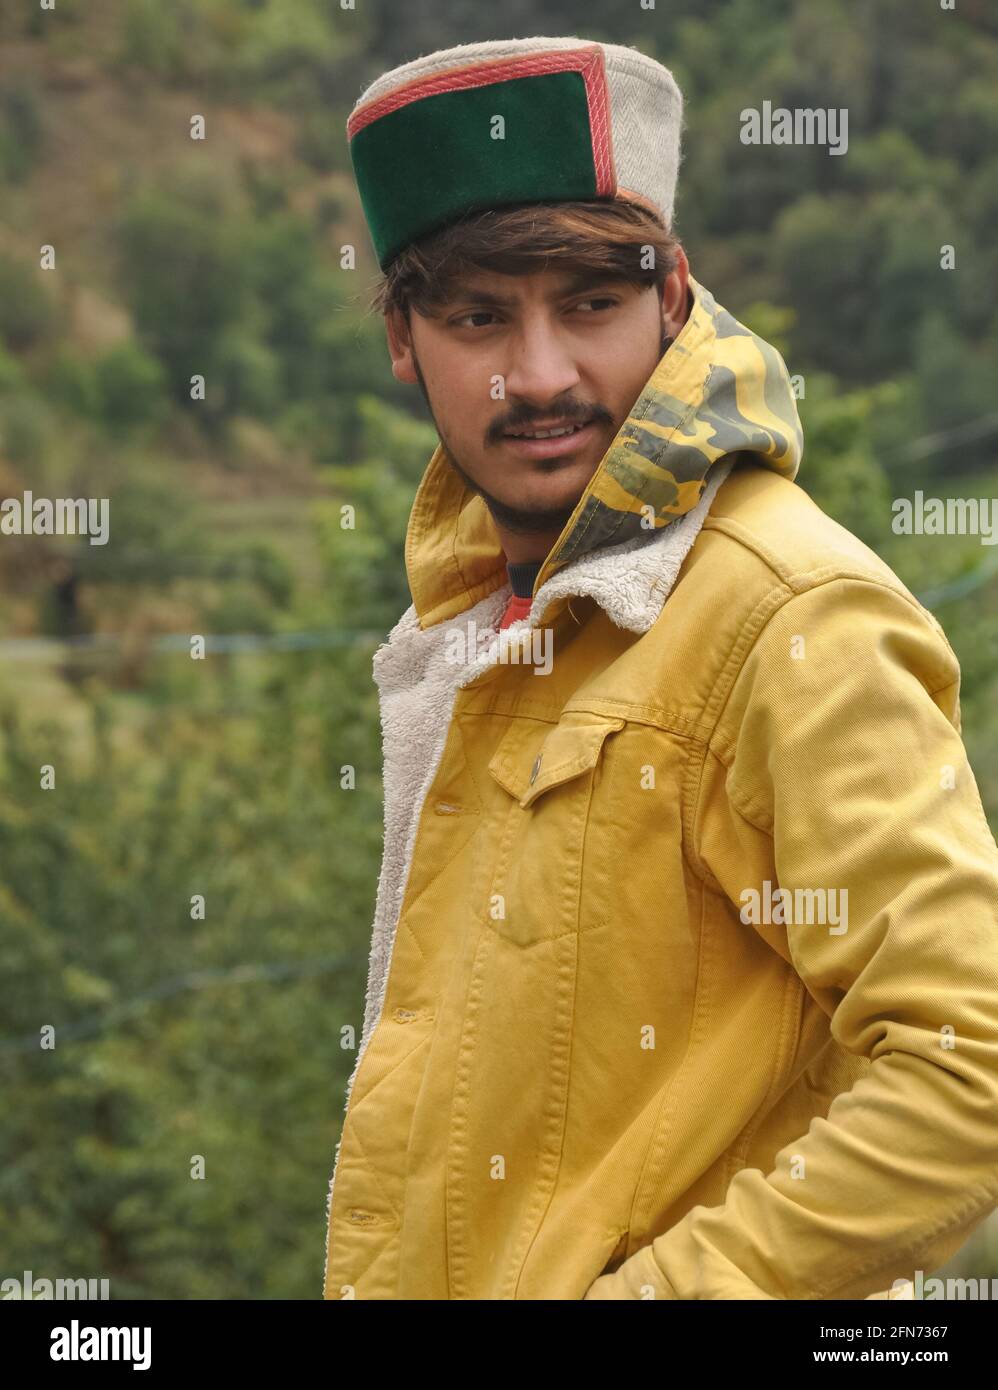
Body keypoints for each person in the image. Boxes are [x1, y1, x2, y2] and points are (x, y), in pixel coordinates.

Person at [323, 35, 998, 1301]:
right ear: (403, 342)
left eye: (589, 303)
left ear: (673, 298)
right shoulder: (481, 623)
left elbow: (968, 1063)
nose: (540, 376)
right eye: (477, 316)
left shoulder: (789, 614)